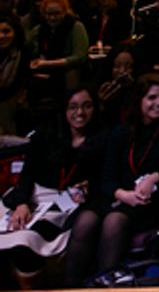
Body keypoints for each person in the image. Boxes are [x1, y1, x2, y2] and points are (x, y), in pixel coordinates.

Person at [65, 73, 159, 286]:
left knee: (114, 221)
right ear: (139, 100)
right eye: (152, 98)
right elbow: (107, 177)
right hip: (118, 194)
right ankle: (71, 287)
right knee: (85, 221)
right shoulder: (122, 130)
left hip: (150, 198)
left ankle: (108, 285)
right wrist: (122, 194)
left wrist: (155, 177)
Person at [0, 87, 105, 287]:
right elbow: (27, 173)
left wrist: (90, 188)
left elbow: (104, 179)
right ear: (64, 110)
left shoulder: (104, 138)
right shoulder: (44, 135)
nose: (80, 113)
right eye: (73, 107)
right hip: (32, 194)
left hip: (65, 205)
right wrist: (22, 203)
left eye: (86, 106)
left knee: (25, 244)